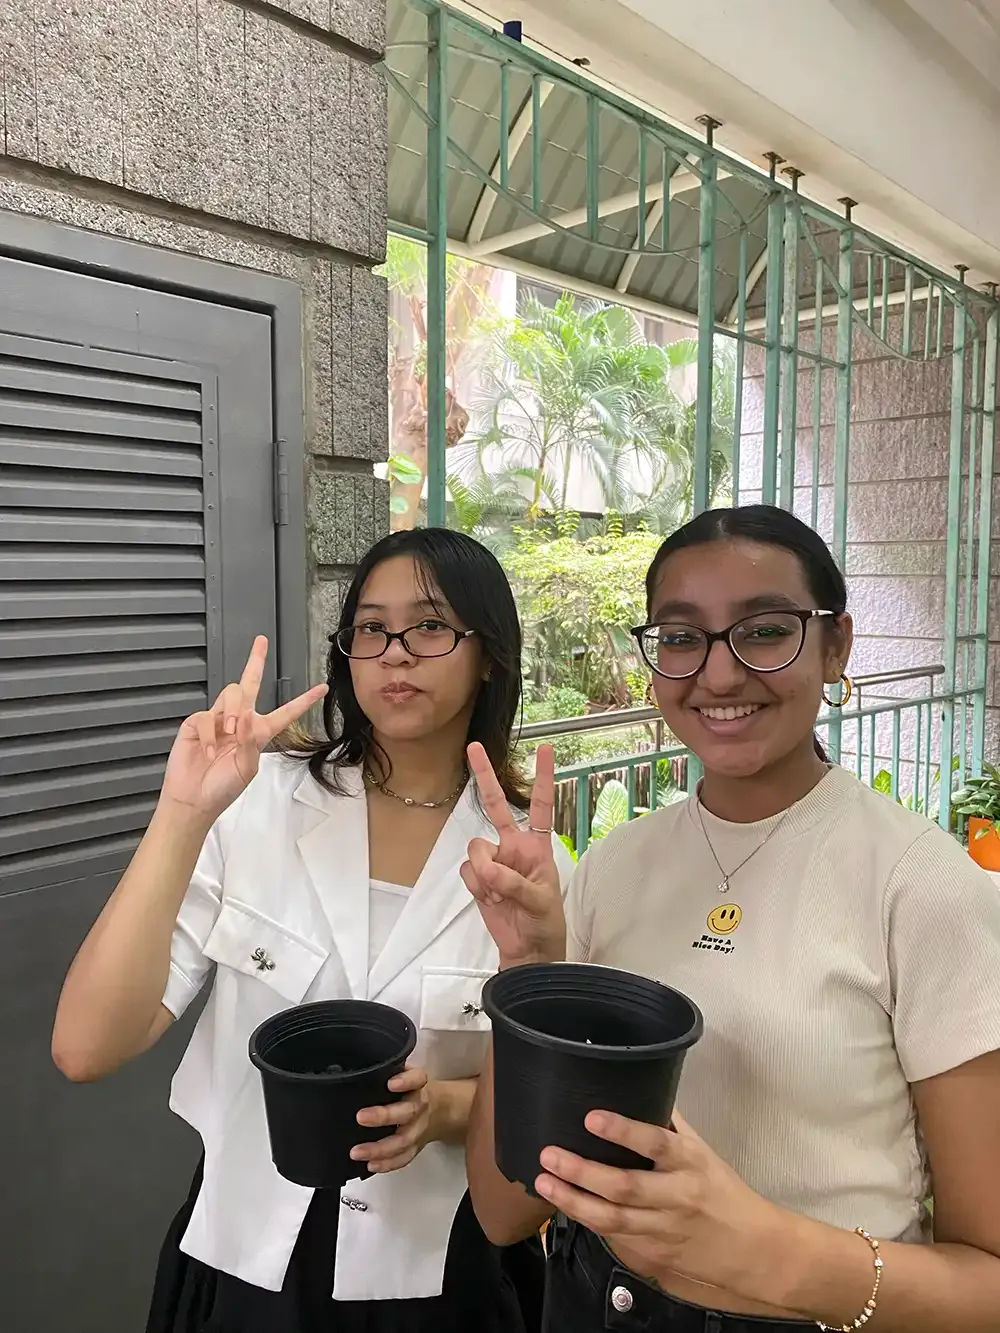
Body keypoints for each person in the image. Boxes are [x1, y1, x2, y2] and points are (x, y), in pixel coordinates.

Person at [461, 504, 1000, 1333]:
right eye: (682, 638)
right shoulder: (614, 866)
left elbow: (988, 1281)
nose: (718, 675)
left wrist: (760, 1246)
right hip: (591, 1300)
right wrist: (529, 972)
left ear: (836, 646)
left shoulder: (921, 886)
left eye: (766, 630)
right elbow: (505, 1211)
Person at [52, 527, 573, 1333]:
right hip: (242, 1266)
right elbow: (86, 1047)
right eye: (371, 627)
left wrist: (446, 1107)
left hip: (443, 1276)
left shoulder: (530, 872)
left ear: (488, 656)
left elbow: (545, 1125)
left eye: (430, 625)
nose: (394, 652)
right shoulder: (257, 803)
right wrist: (182, 813)